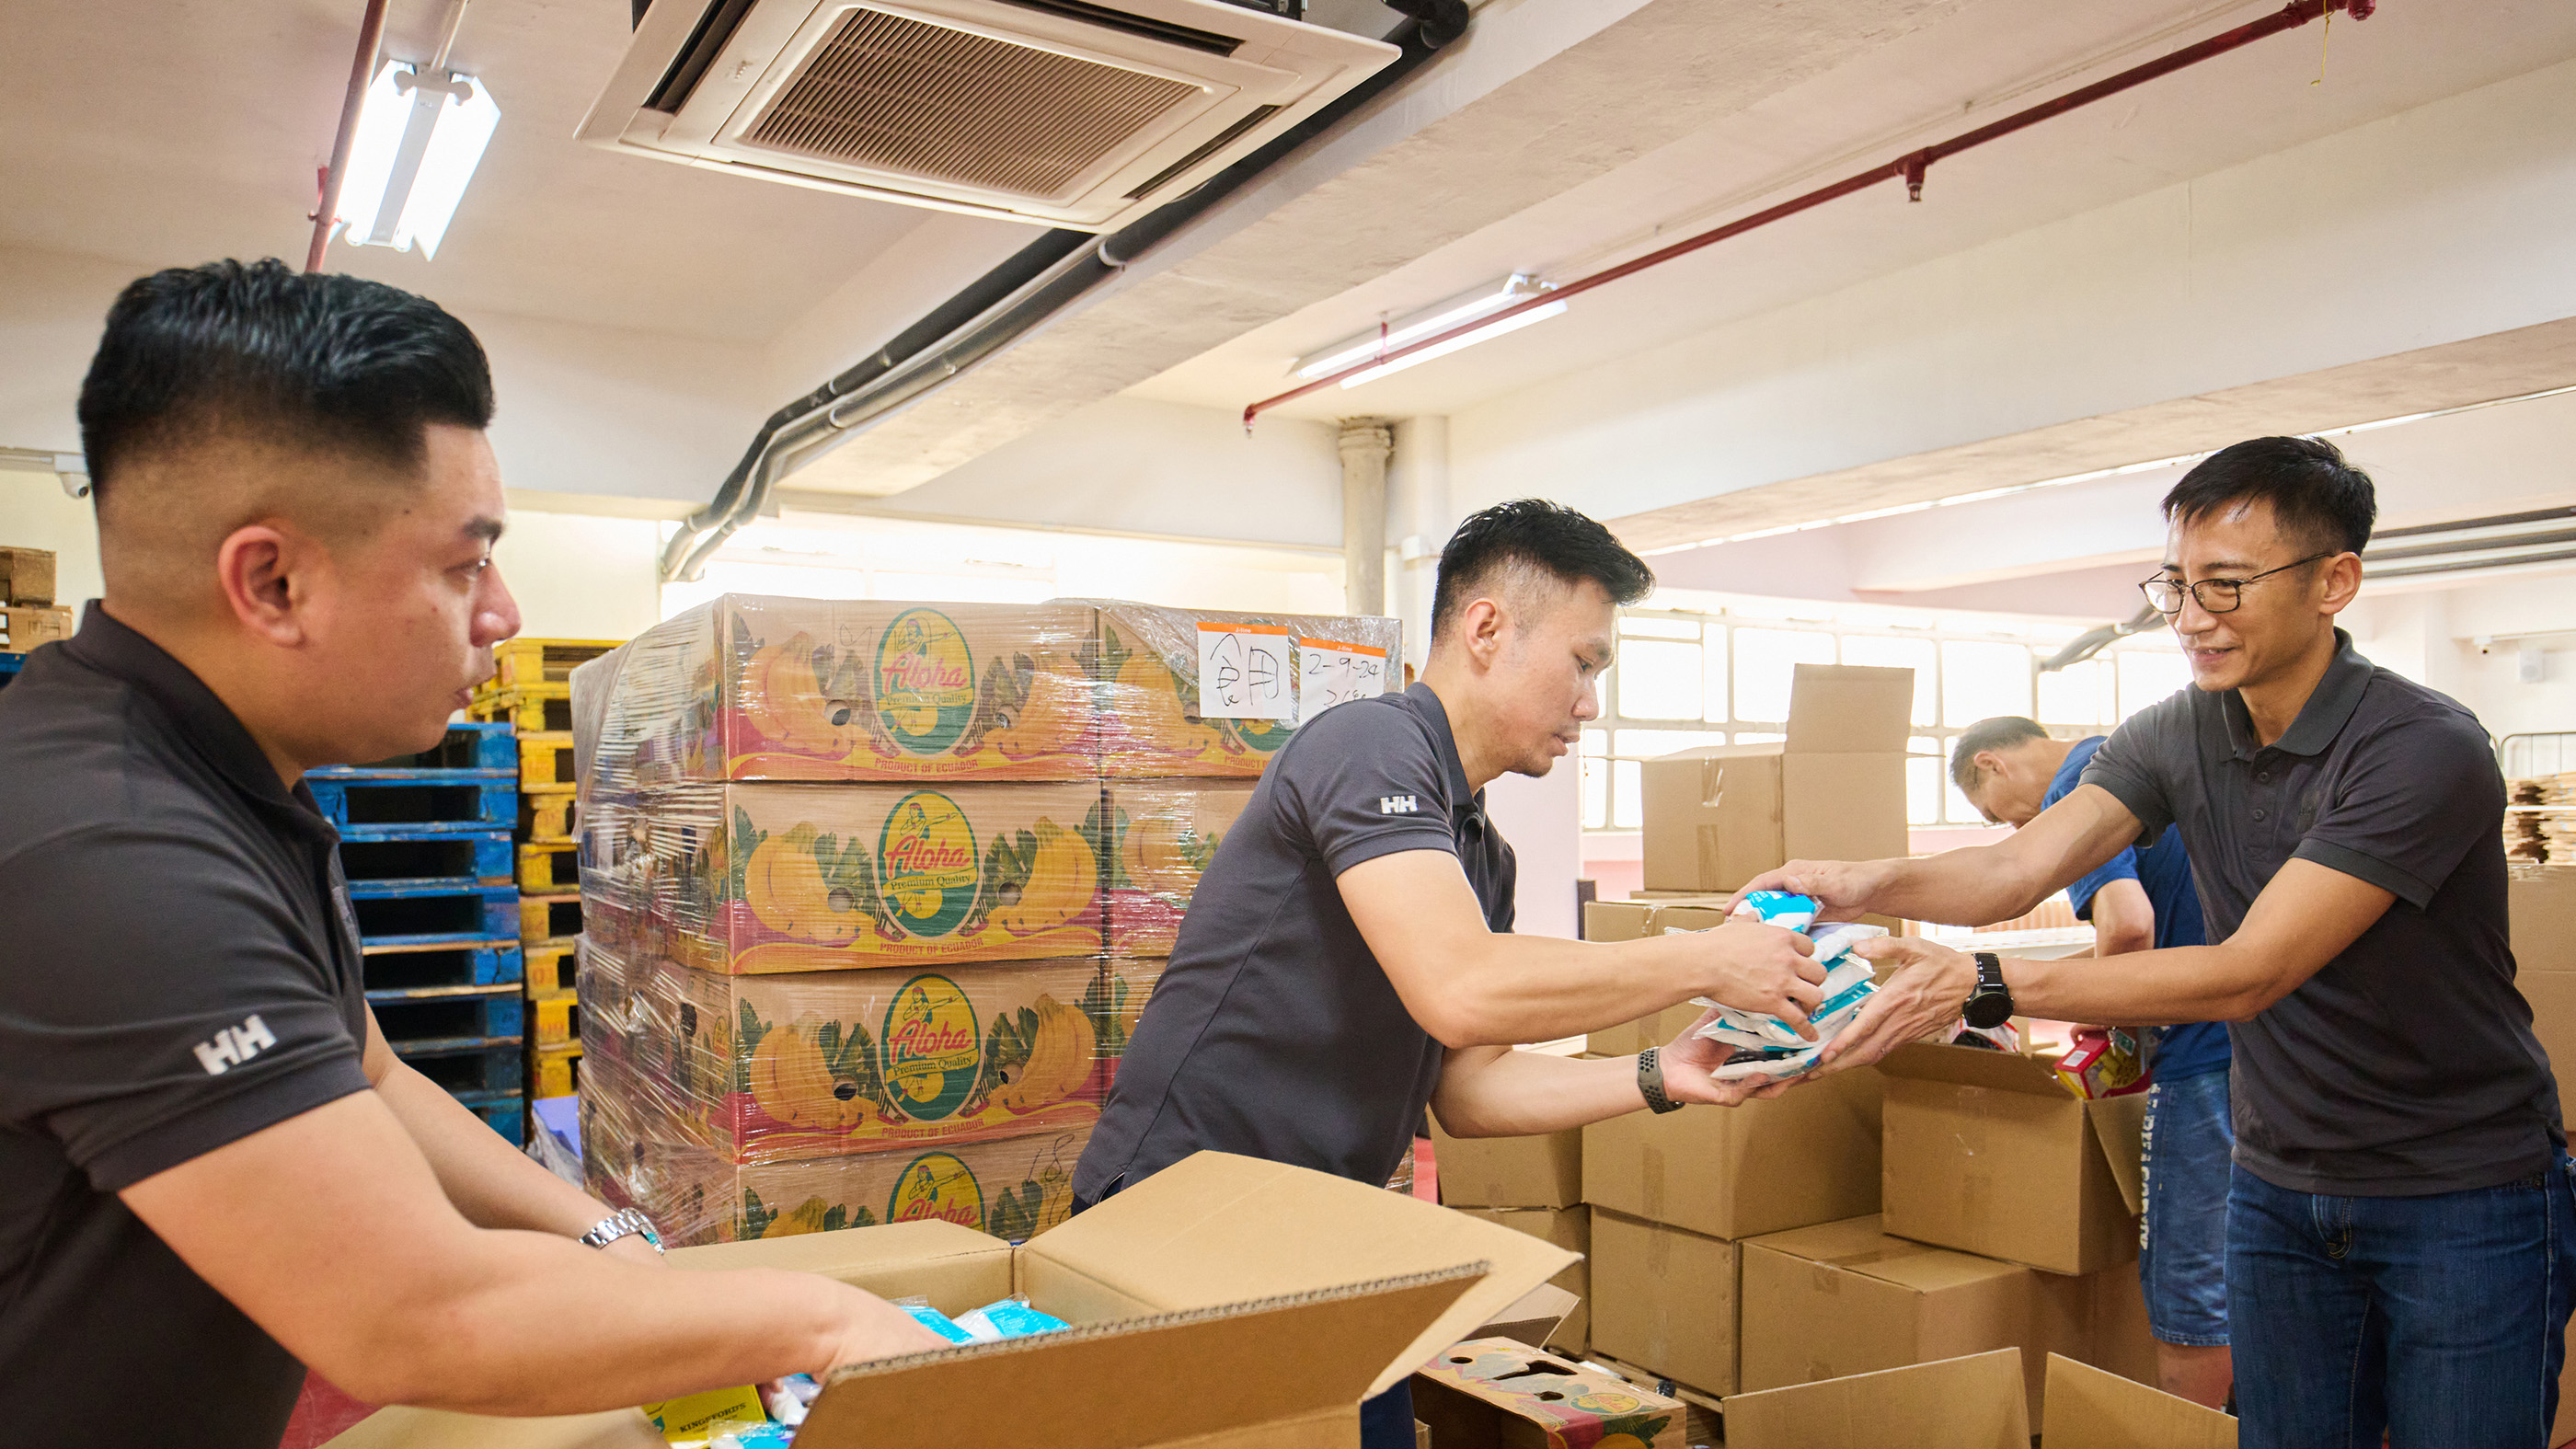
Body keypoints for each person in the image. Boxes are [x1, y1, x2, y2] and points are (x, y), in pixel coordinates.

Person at [0, 259, 941, 1447]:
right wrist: (820, 1322)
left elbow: (372, 1074)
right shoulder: (116, 859)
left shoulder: (227, 782)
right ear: (273, 580)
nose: (501, 609)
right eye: (463, 562)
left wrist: (603, 1235)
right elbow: (416, 1312)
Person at [1742, 436, 2570, 1447]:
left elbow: (2246, 972)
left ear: (2333, 582)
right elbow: (2014, 871)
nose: (2190, 619)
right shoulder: (2174, 731)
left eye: (2225, 587)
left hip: (2455, 1191)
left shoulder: (2419, 749)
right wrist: (1859, 879)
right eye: (2175, 586)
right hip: (2277, 1184)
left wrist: (1984, 985)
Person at [1075, 500, 1829, 1446]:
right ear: (1485, 629)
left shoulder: (1480, 853)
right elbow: (1460, 986)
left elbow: (1469, 1090)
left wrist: (1656, 1075)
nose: (1590, 702)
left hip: (1316, 1241)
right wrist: (1706, 959)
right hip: (1181, 1219)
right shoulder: (1366, 745)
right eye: (1583, 663)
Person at [1953, 717, 2231, 1409]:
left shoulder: (2083, 789)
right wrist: (1993, 991)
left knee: (2189, 1286)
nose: (2015, 833)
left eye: (1996, 815)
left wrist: (2120, 1028)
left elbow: (2127, 927)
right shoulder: (2162, 766)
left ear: (1993, 765)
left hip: (2203, 1056)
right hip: (2270, 1045)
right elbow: (2153, 936)